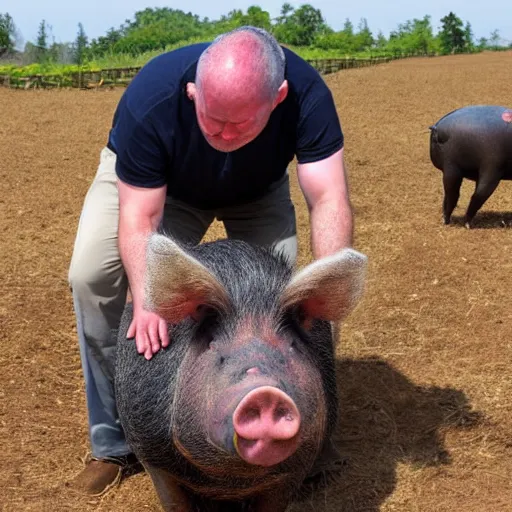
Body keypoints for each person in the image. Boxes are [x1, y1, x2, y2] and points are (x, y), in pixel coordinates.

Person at [67, 25, 353, 496]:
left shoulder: (308, 96)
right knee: (92, 277)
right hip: (161, 185)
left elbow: (328, 197)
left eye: (240, 123)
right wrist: (148, 294)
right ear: (192, 90)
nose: (221, 133)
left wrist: (326, 289)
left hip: (257, 190)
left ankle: (305, 438)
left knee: (295, 310)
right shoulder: (153, 98)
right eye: (211, 117)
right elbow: (141, 216)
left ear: (278, 97)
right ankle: (114, 443)